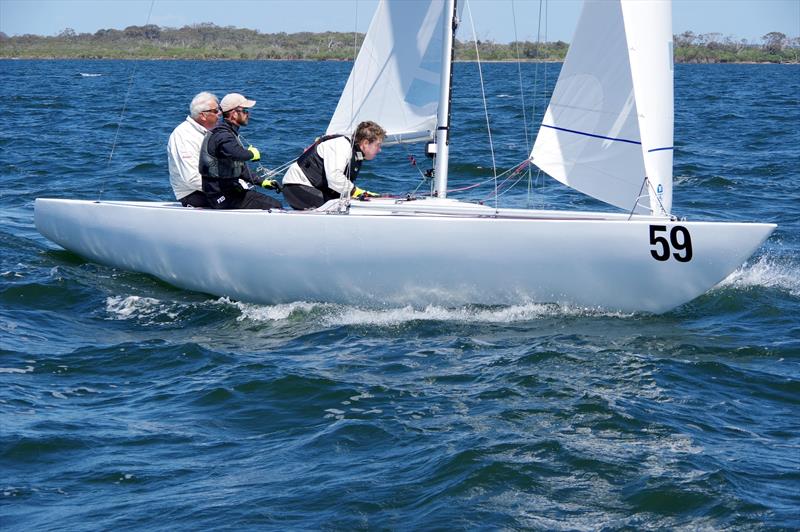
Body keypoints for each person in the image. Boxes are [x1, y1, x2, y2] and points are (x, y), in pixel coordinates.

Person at [199, 93, 282, 210]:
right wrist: (251, 154)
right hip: (221, 196)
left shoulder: (229, 133)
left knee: (268, 202)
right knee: (274, 206)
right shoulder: (223, 135)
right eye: (245, 111)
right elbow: (237, 154)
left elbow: (240, 169)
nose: (248, 114)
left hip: (230, 192)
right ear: (233, 114)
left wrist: (262, 182)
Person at [281, 121, 386, 210]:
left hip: (315, 188)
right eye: (378, 145)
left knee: (347, 206)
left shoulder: (356, 152)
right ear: (365, 142)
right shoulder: (341, 146)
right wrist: (355, 191)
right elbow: (334, 177)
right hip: (297, 186)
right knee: (334, 209)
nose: (380, 150)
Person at [167, 91, 220, 207]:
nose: (219, 114)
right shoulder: (184, 135)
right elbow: (191, 178)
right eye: (216, 111)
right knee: (256, 201)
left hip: (211, 189)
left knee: (252, 197)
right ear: (203, 115)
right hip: (193, 194)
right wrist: (227, 187)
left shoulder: (206, 133)